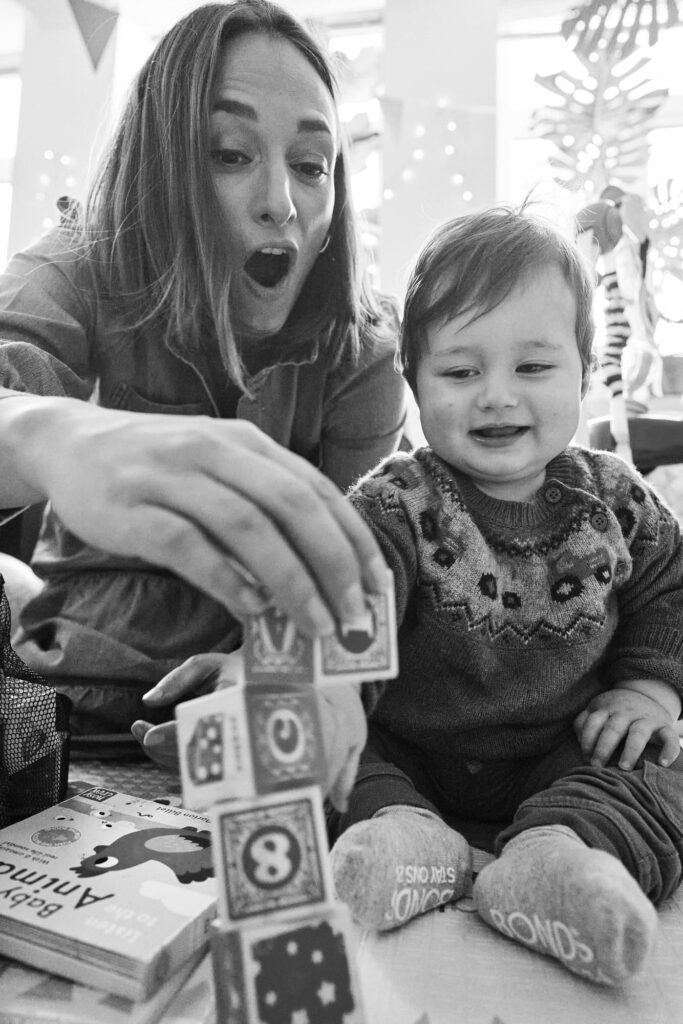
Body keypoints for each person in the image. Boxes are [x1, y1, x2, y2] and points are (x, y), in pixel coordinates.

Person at [0, 0, 405, 790]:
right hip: (56, 692)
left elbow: (362, 582)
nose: (280, 202)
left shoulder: (361, 349)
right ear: (160, 166)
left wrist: (273, 664)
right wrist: (47, 436)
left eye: (311, 165)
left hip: (247, 714)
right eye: (229, 153)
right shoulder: (76, 270)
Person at [324, 204, 683, 987]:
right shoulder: (395, 502)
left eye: (532, 368)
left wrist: (649, 691)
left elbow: (669, 591)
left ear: (584, 375)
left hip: (566, 753)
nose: (494, 396)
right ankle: (409, 842)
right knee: (325, 751)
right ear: (413, 383)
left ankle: (555, 860)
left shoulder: (619, 502)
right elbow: (340, 603)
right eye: (458, 372)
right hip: (409, 752)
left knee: (664, 763)